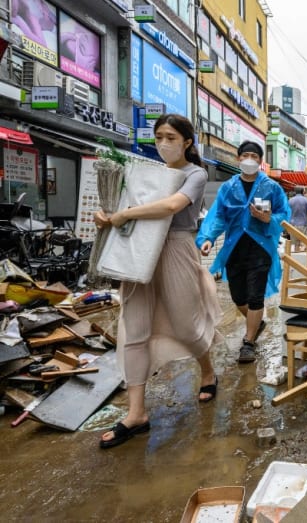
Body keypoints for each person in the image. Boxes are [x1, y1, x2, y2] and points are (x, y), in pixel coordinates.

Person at [94, 114, 222, 449]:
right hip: (137, 249)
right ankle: (136, 413)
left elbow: (171, 205)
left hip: (175, 249)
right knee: (135, 328)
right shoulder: (144, 174)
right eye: (159, 137)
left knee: (186, 325)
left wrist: (126, 214)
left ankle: (207, 371)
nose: (163, 143)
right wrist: (106, 216)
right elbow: (119, 207)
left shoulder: (195, 174)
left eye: (171, 137)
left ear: (187, 142)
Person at [197, 140, 290, 364]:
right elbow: (218, 216)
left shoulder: (272, 187)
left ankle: (248, 343)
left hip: (261, 248)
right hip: (235, 248)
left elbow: (284, 215)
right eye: (245, 155)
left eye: (254, 156)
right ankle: (256, 323)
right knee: (238, 297)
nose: (249, 159)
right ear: (238, 159)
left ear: (260, 161)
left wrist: (268, 218)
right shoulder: (228, 188)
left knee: (255, 296)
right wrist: (208, 238)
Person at [287, 186, 307, 252]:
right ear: (303, 192)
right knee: (304, 244)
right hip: (303, 224)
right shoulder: (306, 200)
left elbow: (287, 213)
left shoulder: (290, 200)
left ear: (295, 192)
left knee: (295, 245)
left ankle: (296, 255)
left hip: (292, 225)